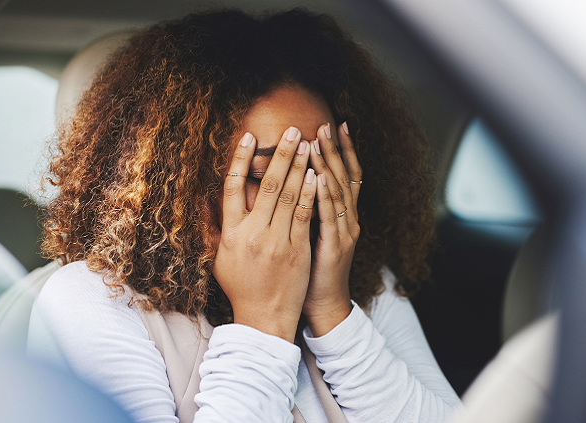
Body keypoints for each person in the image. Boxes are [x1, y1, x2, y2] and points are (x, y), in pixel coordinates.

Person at [27, 8, 461, 423]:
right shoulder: (92, 301)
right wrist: (263, 320)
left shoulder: (367, 284)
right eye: (266, 174)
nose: (304, 198)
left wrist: (333, 313)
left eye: (324, 170)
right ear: (178, 182)